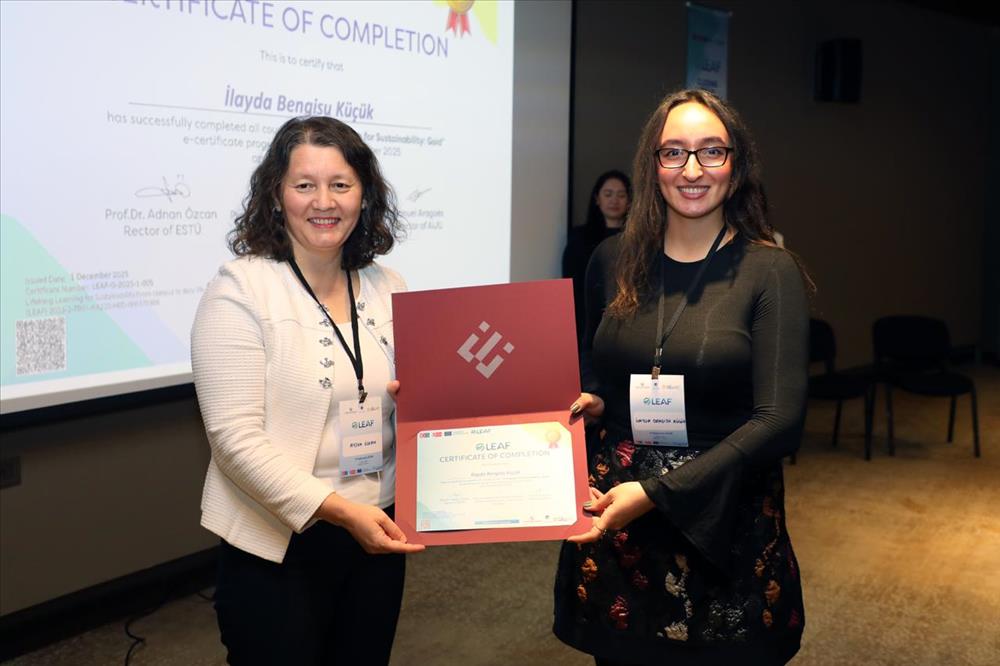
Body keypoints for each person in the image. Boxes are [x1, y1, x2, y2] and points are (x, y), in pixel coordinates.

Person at [553, 89, 810, 665]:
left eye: (711, 151)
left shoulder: (770, 270)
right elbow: (595, 359)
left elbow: (780, 421)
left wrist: (656, 492)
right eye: (674, 152)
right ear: (653, 164)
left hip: (724, 518)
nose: (692, 169)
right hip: (617, 516)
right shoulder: (611, 259)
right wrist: (597, 398)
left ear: (736, 165)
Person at [191, 116, 424, 666]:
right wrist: (340, 512)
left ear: (365, 195)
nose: (324, 202)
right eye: (304, 185)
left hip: (377, 532)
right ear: (277, 195)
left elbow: (419, 400)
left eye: (341, 184)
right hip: (276, 547)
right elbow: (234, 440)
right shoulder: (240, 290)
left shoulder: (388, 286)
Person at [563, 170, 632, 341]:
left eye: (621, 195)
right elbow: (572, 288)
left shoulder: (639, 240)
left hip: (629, 324)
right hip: (585, 322)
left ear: (629, 201)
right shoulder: (579, 239)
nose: (614, 200)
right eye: (608, 194)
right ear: (597, 199)